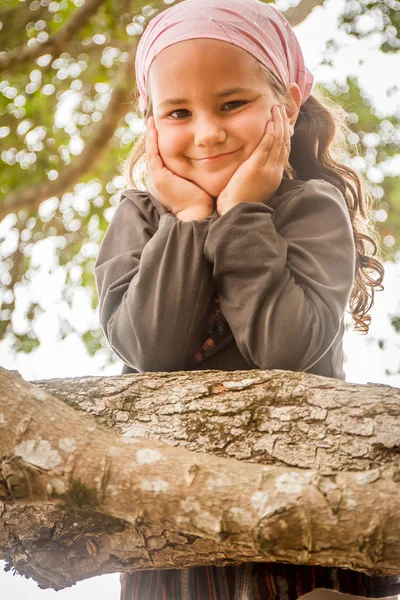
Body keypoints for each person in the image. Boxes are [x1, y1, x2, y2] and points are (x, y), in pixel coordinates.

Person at [94, 0, 393, 598]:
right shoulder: (139, 217)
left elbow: (286, 348)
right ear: (151, 123)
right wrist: (189, 219)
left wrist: (240, 214)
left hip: (305, 521)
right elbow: (149, 350)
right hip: (172, 537)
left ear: (284, 106)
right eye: (178, 112)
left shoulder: (310, 207)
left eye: (233, 103)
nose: (207, 132)